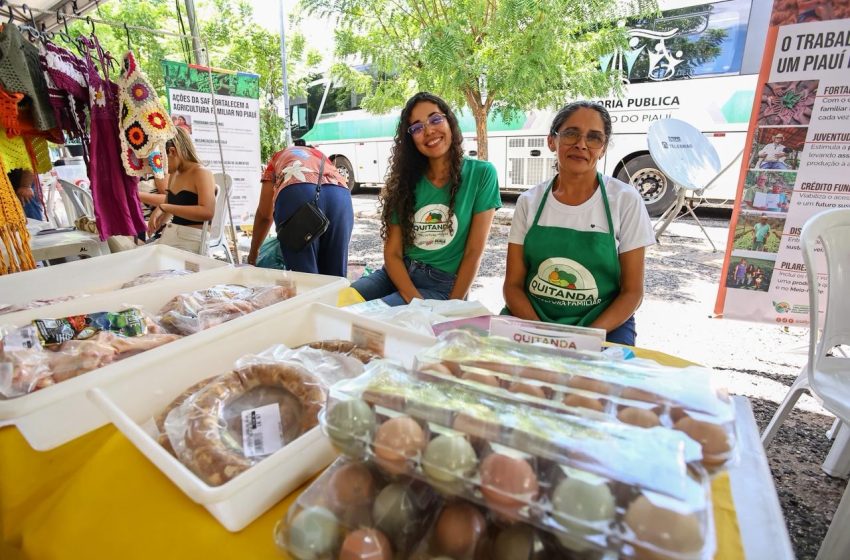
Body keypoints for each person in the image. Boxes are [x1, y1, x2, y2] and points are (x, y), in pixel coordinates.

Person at [502, 101, 655, 346]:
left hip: (604, 324)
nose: (581, 144)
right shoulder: (529, 202)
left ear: (603, 149)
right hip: (532, 319)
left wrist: (582, 340)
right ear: (551, 141)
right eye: (571, 134)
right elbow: (512, 286)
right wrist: (543, 336)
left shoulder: (625, 200)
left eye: (594, 138)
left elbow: (632, 292)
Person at [349, 92, 501, 305]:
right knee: (342, 300)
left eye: (435, 119)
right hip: (398, 273)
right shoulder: (404, 182)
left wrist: (452, 307)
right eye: (417, 127)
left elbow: (473, 253)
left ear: (449, 121)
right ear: (411, 138)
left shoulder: (481, 174)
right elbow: (392, 254)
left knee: (377, 315)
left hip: (443, 285)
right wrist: (414, 301)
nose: (428, 131)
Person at [247, 145, 352, 276]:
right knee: (335, 277)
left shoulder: (277, 158)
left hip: (297, 191)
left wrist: (253, 254)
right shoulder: (319, 155)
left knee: (304, 278)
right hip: (341, 194)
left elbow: (264, 215)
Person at [148, 128, 216, 253]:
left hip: (192, 239)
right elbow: (170, 204)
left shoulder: (201, 172)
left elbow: (207, 212)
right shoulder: (174, 174)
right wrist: (159, 221)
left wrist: (164, 207)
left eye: (160, 160)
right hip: (173, 234)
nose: (161, 167)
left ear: (172, 151)